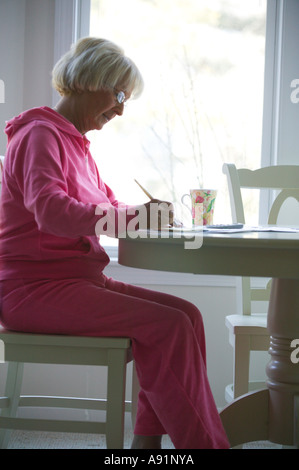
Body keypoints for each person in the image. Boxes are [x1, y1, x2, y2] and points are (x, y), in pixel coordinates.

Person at [0, 37, 229, 449]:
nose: (121, 109)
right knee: (171, 326)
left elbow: (106, 206)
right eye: (119, 94)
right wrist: (134, 216)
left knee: (189, 316)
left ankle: (146, 448)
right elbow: (52, 211)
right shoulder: (39, 136)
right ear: (89, 80)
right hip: (32, 291)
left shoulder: (76, 145)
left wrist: (145, 211)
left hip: (76, 283)